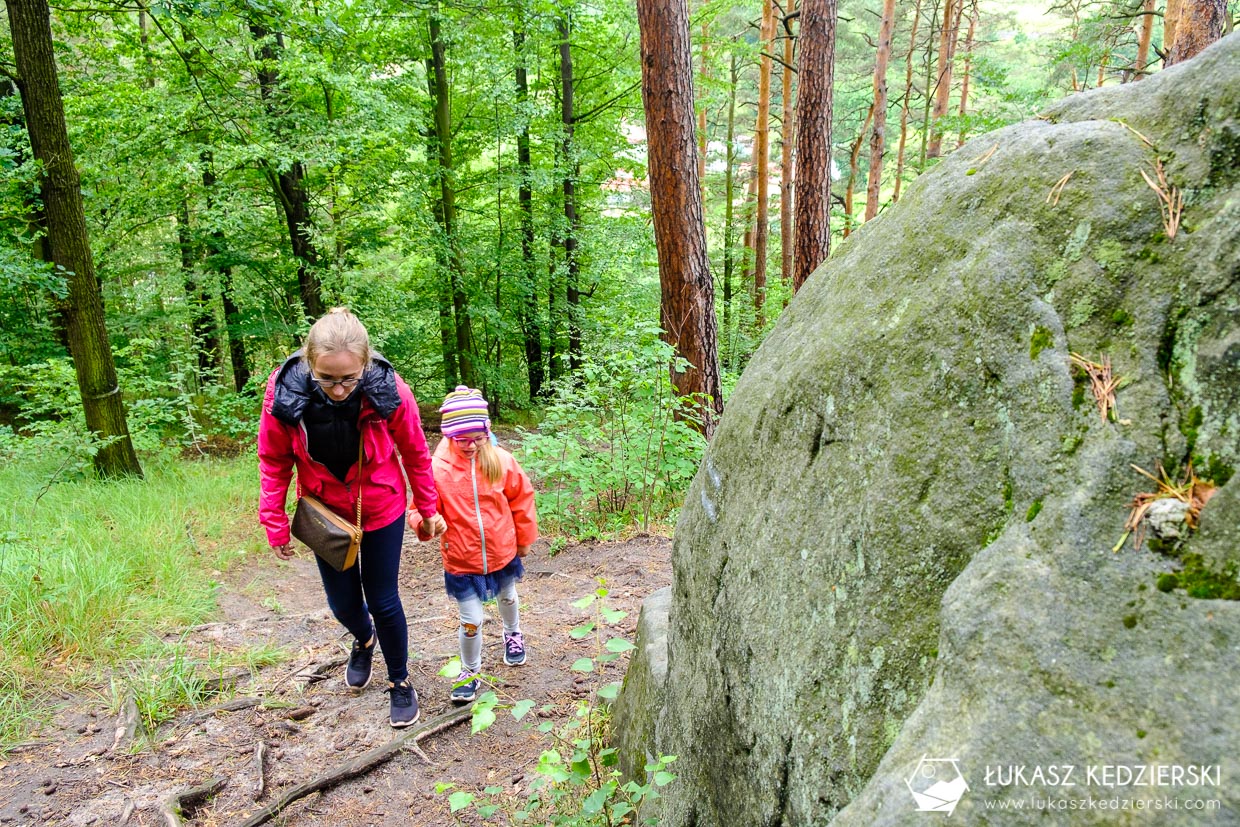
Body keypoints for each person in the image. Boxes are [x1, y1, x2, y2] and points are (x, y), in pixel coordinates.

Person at [257, 308, 447, 728]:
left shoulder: (389, 389)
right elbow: (273, 459)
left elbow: (415, 451)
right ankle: (363, 639)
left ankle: (399, 681)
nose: (339, 389)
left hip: (381, 506)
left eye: (348, 378)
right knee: (342, 603)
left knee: (383, 598)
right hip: (325, 514)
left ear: (364, 364)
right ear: (309, 364)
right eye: (327, 378)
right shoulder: (284, 392)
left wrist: (428, 508)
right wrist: (273, 519)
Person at [409, 386, 538, 703]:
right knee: (472, 620)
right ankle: (470, 670)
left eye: (477, 437)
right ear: (449, 435)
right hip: (462, 561)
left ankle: (513, 634)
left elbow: (522, 501)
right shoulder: (436, 470)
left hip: (503, 551)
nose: (470, 445)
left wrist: (524, 540)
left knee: (507, 596)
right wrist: (427, 523)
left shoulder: (501, 461)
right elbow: (417, 510)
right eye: (462, 439)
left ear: (486, 431)